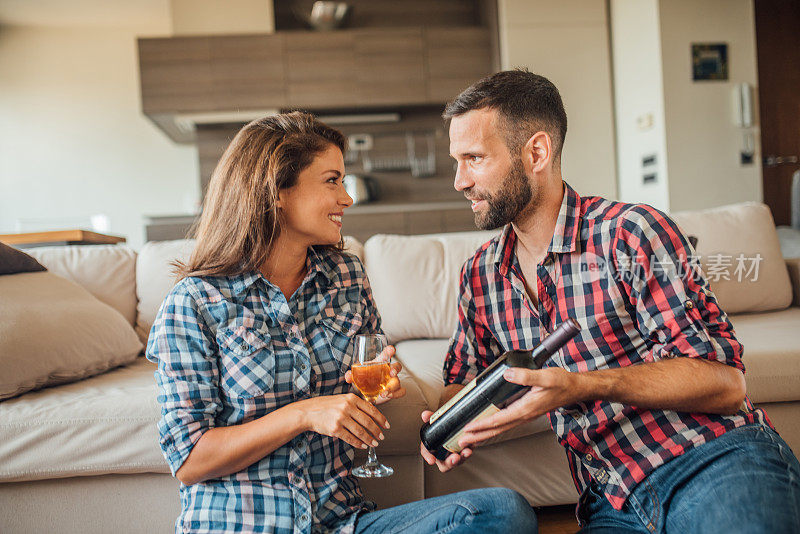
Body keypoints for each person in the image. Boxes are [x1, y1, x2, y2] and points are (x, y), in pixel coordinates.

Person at [419, 70, 800, 533]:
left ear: (536, 152)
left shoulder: (631, 234)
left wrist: (582, 385)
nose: (459, 180)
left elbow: (725, 383)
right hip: (609, 500)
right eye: (457, 161)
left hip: (709, 458)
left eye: (474, 158)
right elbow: (459, 387)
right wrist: (451, 426)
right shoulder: (481, 274)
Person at [146, 111, 537, 534]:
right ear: (277, 190)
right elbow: (189, 461)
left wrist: (379, 387)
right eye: (332, 181)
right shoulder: (195, 302)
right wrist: (303, 414)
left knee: (502, 511)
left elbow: (364, 379)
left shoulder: (345, 277)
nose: (347, 199)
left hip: (341, 522)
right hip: (244, 525)